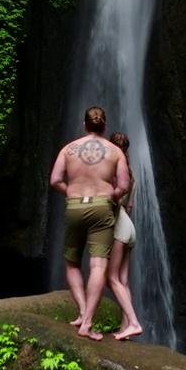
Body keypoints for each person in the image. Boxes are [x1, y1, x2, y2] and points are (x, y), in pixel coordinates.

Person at [49, 106, 129, 341]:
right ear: (104, 126)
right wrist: (108, 196)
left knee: (72, 263)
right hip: (102, 206)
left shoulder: (68, 149)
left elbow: (55, 180)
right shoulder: (115, 152)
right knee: (98, 266)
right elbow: (123, 186)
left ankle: (82, 312)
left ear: (84, 125)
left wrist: (70, 192)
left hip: (74, 205)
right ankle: (88, 324)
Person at [106, 131, 143, 341]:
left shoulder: (114, 171)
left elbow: (116, 203)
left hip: (120, 227)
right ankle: (125, 327)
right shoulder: (133, 175)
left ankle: (133, 322)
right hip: (130, 228)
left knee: (111, 278)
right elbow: (130, 207)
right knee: (123, 280)